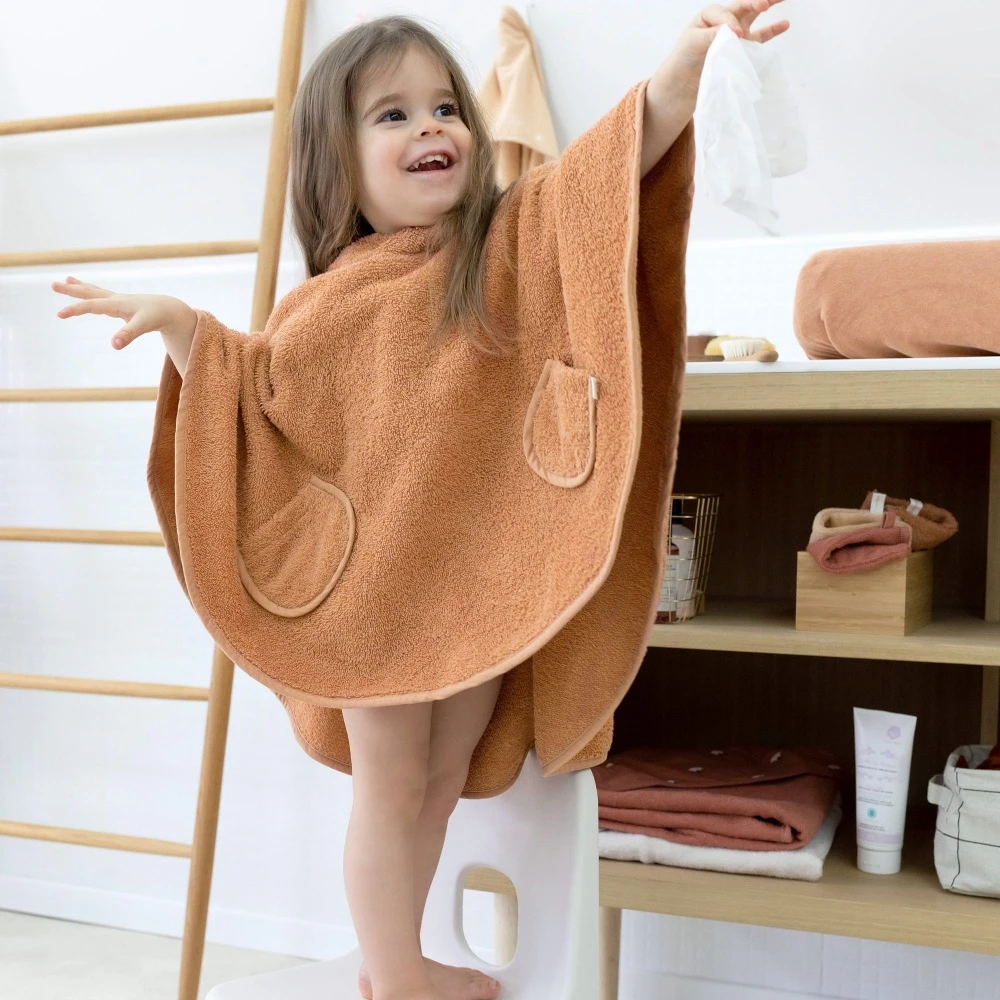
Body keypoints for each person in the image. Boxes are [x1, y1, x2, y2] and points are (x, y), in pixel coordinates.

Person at [53, 5, 789, 998]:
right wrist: (186, 327)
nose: (431, 126)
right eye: (392, 115)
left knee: (442, 781)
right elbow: (255, 397)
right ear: (337, 165)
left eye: (445, 106)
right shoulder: (324, 306)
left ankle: (395, 963)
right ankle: (398, 974)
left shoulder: (505, 242)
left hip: (470, 587)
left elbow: (609, 170)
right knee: (392, 786)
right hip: (374, 606)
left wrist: (689, 58)